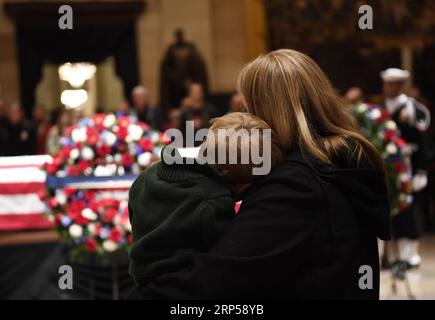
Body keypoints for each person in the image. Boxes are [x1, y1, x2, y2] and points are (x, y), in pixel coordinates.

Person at [130, 49, 390, 300]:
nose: (245, 116)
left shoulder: (296, 188)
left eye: (248, 106)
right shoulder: (339, 164)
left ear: (267, 111)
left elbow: (217, 280)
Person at [129, 112, 283, 287]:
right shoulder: (213, 203)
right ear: (242, 184)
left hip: (141, 281)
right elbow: (227, 262)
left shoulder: (147, 177)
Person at [381, 68, 431, 268]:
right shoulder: (379, 108)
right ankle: (392, 256)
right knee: (392, 213)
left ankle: (410, 256)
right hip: (388, 170)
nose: (389, 87)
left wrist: (421, 171)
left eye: (394, 84)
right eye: (387, 83)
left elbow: (422, 142)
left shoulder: (413, 109)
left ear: (401, 85)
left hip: (408, 169)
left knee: (409, 211)